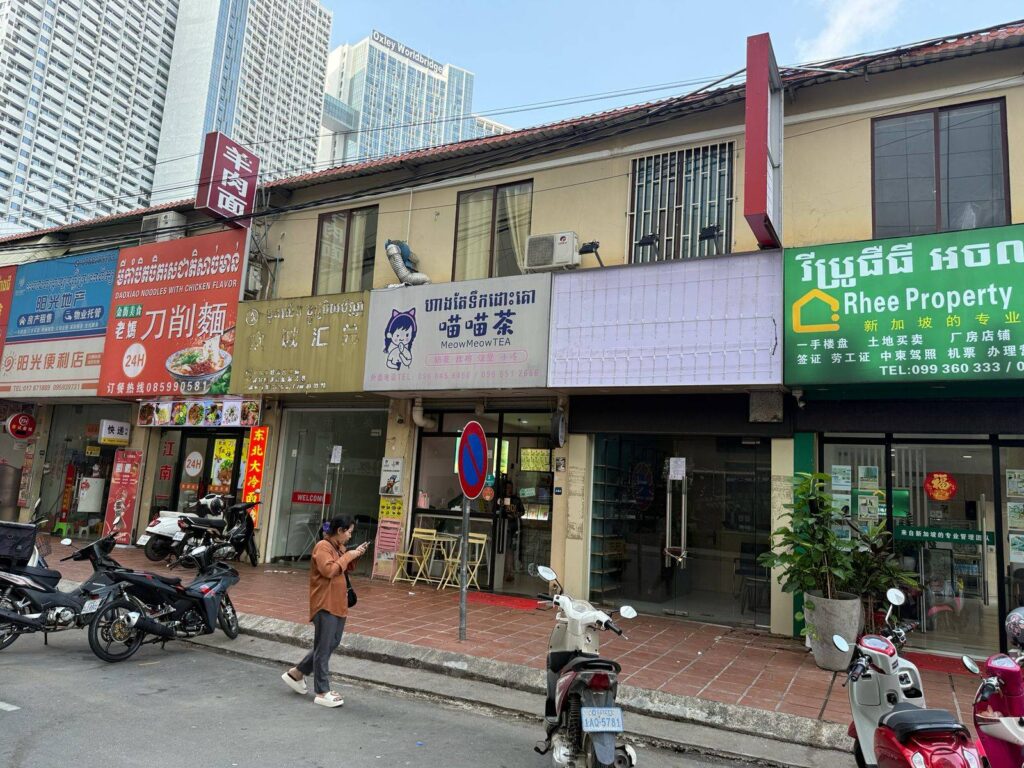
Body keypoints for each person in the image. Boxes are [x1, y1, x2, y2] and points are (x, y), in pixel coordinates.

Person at [281, 515, 368, 707]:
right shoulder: (322, 546)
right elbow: (328, 571)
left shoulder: (338, 547)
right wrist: (349, 555)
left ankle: (297, 673)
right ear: (340, 531)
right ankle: (321, 690)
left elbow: (343, 568)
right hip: (325, 603)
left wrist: (354, 554)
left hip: (338, 603)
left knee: (331, 643)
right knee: (324, 645)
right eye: (349, 532)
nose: (350, 536)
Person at [495, 479, 525, 584]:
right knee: (503, 550)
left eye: (510, 488)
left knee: (510, 550)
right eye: (507, 488)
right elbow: (497, 511)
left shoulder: (516, 500)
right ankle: (503, 572)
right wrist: (504, 513)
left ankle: (510, 572)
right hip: (502, 527)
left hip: (513, 527)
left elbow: (522, 511)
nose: (509, 490)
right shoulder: (501, 499)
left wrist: (516, 515)